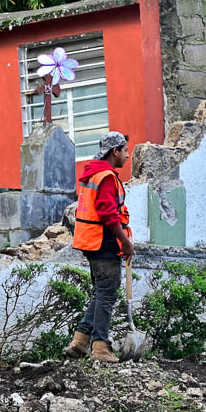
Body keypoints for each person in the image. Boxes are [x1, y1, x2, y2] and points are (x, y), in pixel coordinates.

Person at [66, 131, 134, 364]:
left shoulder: (92, 175)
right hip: (104, 242)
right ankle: (100, 347)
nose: (127, 156)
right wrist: (124, 242)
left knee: (101, 293)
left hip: (91, 242)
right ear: (114, 151)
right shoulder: (106, 177)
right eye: (125, 150)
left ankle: (80, 342)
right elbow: (107, 213)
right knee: (107, 294)